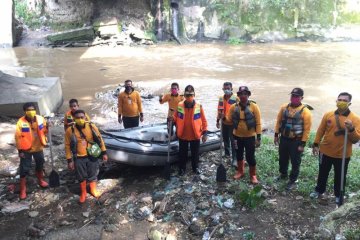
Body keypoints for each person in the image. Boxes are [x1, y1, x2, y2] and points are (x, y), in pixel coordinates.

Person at [311, 92, 360, 206]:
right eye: (339, 99)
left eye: (344, 100)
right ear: (336, 101)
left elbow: (356, 139)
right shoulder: (328, 115)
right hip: (325, 151)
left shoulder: (355, 119)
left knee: (340, 175)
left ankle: (338, 195)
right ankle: (319, 190)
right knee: (322, 173)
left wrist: (352, 128)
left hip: (343, 154)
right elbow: (320, 130)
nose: (341, 102)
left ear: (349, 103)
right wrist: (316, 143)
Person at [64, 110, 108, 203]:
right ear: (74, 119)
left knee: (93, 173)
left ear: (85, 117)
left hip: (92, 154)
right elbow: (67, 146)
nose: (80, 119)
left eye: (82, 117)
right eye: (77, 118)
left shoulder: (92, 126)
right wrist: (69, 160)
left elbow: (100, 139)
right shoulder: (70, 130)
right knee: (81, 176)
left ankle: (93, 190)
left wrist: (104, 153)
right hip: (79, 157)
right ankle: (83, 192)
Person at [274, 88, 312, 190]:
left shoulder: (306, 112)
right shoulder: (284, 107)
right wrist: (276, 135)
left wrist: (302, 144)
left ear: (301, 98)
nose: (294, 98)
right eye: (292, 96)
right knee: (283, 158)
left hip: (296, 140)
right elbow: (278, 121)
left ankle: (293, 179)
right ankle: (283, 174)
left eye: (296, 96)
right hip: (284, 138)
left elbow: (307, 130)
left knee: (295, 161)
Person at [227, 86, 262, 184]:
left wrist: (258, 137)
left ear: (248, 95)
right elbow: (228, 120)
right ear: (238, 95)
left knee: (250, 156)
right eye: (241, 94)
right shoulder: (234, 107)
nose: (243, 96)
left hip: (250, 137)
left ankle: (253, 175)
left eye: (245, 94)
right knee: (238, 154)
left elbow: (258, 123)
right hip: (236, 136)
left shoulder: (254, 107)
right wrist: (222, 118)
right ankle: (240, 171)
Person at [15, 102, 49, 200]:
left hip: (38, 147)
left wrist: (48, 127)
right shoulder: (20, 122)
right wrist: (20, 150)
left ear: (35, 110)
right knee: (24, 168)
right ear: (25, 111)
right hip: (26, 149)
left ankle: (41, 180)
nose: (31, 112)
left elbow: (45, 131)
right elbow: (17, 137)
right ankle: (22, 189)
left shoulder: (40, 119)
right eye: (28, 110)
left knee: (40, 163)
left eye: (32, 110)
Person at [172, 85, 208, 175]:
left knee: (195, 153)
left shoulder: (199, 106)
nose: (189, 97)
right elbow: (175, 117)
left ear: (194, 95)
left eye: (191, 95)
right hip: (183, 134)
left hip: (195, 135)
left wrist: (205, 133)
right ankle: (182, 169)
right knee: (182, 153)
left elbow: (204, 120)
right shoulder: (179, 105)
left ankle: (195, 168)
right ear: (184, 95)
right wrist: (171, 119)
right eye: (187, 95)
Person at [216, 82, 239, 166]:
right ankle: (227, 153)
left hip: (232, 123)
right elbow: (219, 110)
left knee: (233, 141)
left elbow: (239, 111)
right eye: (225, 88)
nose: (226, 90)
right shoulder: (221, 98)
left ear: (231, 89)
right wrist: (217, 120)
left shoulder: (236, 98)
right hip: (224, 122)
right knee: (225, 139)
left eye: (228, 88)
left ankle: (235, 158)